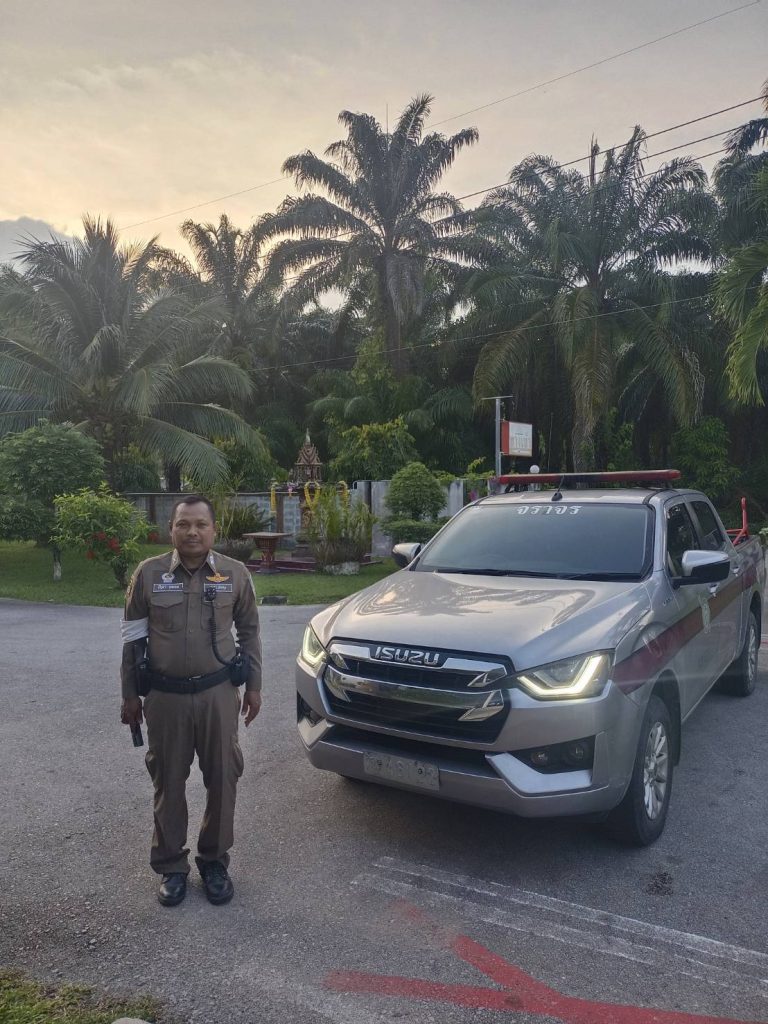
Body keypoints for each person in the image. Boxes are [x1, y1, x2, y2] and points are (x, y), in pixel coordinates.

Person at [120, 496, 262, 907]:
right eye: (183, 524)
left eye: (201, 524)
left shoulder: (234, 574)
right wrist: (129, 694)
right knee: (168, 781)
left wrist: (254, 686)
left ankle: (214, 861)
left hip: (219, 694)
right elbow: (132, 640)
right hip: (165, 698)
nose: (192, 532)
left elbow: (250, 632)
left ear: (214, 530)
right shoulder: (148, 575)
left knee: (223, 777)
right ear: (171, 530)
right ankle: (171, 866)